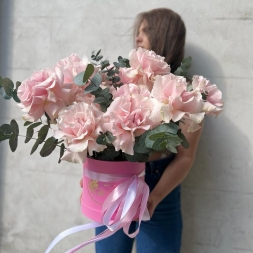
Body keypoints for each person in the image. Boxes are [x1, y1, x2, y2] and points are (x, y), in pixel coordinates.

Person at [94, 8, 203, 253]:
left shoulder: (187, 95)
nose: (137, 38)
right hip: (116, 182)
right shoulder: (119, 82)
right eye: (138, 32)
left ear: (165, 35)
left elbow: (186, 157)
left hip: (161, 186)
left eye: (145, 31)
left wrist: (155, 198)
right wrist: (94, 174)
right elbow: (99, 138)